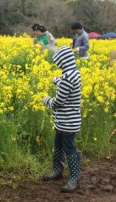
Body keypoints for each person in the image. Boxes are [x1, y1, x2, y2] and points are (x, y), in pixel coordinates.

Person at [41, 46, 82, 193]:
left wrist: (46, 100)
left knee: (69, 148)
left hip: (67, 121)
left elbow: (58, 102)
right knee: (58, 145)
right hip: (66, 120)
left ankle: (74, 179)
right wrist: (57, 80)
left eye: (58, 62)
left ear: (63, 62)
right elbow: (66, 86)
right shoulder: (74, 74)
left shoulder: (67, 78)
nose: (57, 65)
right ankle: (57, 170)